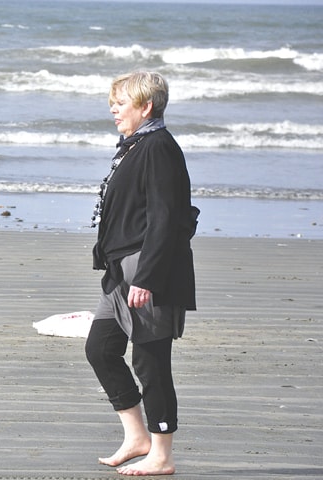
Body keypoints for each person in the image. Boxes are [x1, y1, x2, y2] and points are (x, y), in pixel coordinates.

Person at [86, 71, 197, 476]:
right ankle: (137, 437)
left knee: (151, 363)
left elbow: (167, 218)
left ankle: (162, 454)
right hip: (121, 270)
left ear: (146, 106)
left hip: (147, 270)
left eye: (121, 102)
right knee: (100, 349)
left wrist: (147, 276)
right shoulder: (136, 145)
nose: (113, 109)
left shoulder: (158, 147)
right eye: (112, 102)